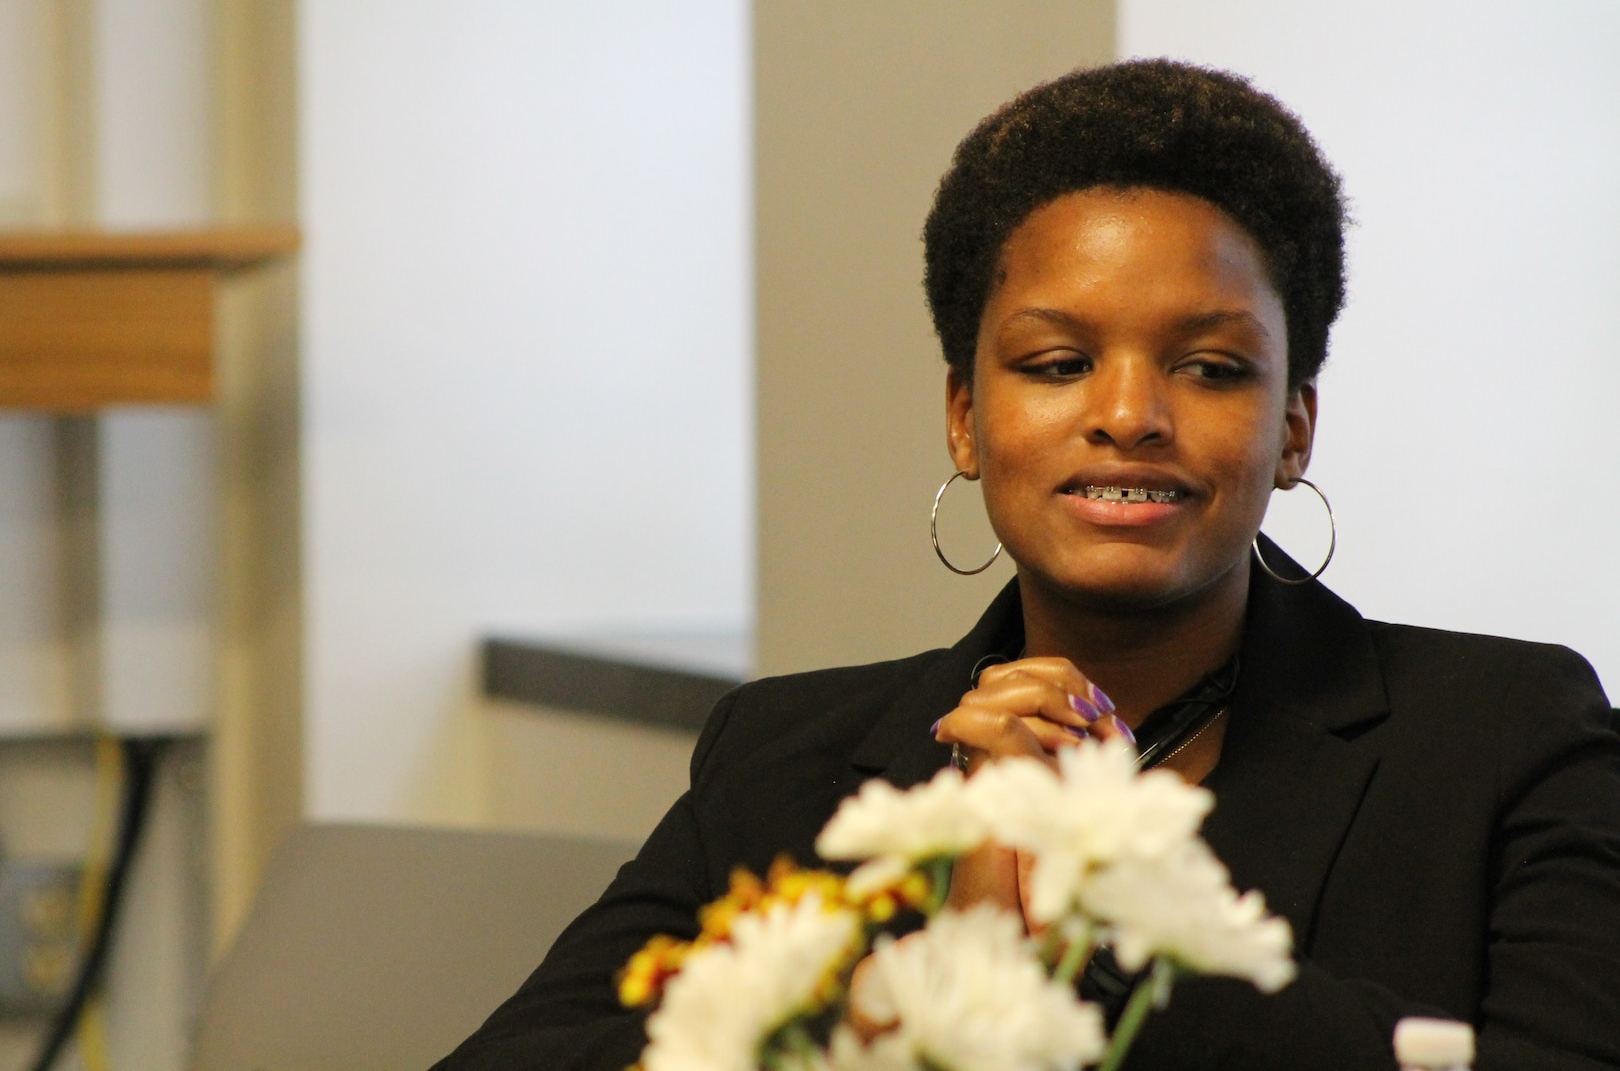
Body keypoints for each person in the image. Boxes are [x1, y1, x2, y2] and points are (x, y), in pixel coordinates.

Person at [433, 60, 1620, 1071]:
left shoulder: (1508, 739)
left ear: (1294, 428)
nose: (1128, 415)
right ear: (965, 417)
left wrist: (1095, 948)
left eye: (1210, 368)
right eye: (1056, 363)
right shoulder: (785, 758)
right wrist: (885, 1005)